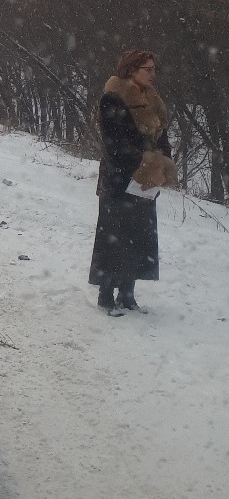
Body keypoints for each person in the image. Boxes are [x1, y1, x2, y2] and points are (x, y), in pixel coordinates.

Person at [89, 50, 177, 316]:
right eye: (147, 69)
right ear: (131, 70)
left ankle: (128, 295)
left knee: (139, 237)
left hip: (146, 181)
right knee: (114, 237)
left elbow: (163, 141)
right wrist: (144, 166)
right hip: (119, 178)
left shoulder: (154, 101)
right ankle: (105, 296)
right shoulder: (113, 98)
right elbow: (114, 144)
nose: (152, 74)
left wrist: (161, 169)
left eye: (153, 69)